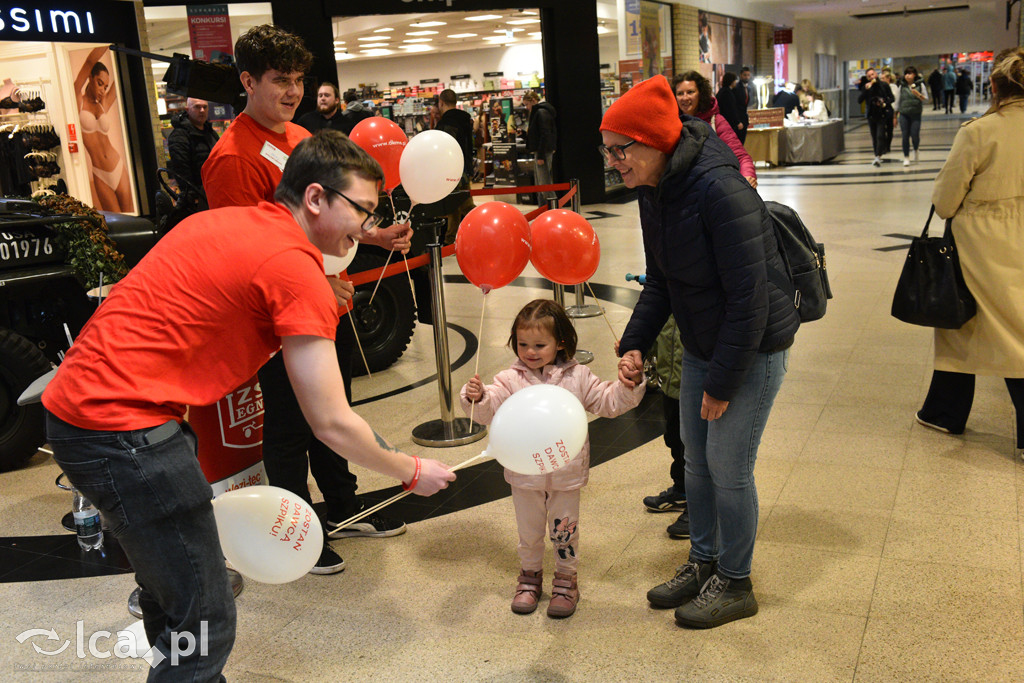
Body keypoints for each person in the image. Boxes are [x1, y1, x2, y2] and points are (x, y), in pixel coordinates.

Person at [42, 129, 457, 681]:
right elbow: (330, 421)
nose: (365, 226)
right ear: (314, 198)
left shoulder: (225, 221)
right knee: (205, 614)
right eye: (360, 209)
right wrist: (410, 472)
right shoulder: (293, 266)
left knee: (170, 592)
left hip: (82, 412)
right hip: (122, 429)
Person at [203, 24, 413, 575]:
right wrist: (316, 284)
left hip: (326, 306)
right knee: (291, 426)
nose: (292, 91)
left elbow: (326, 214)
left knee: (333, 410)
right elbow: (243, 250)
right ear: (247, 81)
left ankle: (342, 506)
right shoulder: (231, 157)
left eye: (298, 80)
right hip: (279, 318)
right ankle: (298, 530)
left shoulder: (300, 138)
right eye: (279, 80)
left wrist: (373, 236)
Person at [601, 75, 799, 629]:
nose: (614, 162)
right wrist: (636, 340)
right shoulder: (653, 189)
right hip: (702, 341)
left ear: (656, 142)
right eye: (608, 150)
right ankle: (704, 560)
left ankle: (736, 582)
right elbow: (663, 279)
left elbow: (750, 300)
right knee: (696, 461)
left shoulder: (720, 189)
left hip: (751, 349)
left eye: (622, 150)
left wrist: (722, 382)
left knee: (729, 468)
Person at [460, 300, 645, 618]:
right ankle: (530, 577)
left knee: (564, 532)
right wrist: (476, 397)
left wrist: (629, 385)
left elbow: (607, 402)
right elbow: (489, 410)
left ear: (560, 342)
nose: (530, 352)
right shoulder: (508, 379)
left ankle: (566, 580)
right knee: (528, 533)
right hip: (524, 476)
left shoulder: (579, 377)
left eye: (539, 344)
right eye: (522, 344)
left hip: (565, 474)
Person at [915, 47, 1024, 463]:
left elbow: (945, 201)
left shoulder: (979, 132)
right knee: (983, 325)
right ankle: (942, 409)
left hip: (982, 245)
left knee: (972, 322)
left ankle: (947, 412)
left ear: (994, 87)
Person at [641, 317, 689, 538]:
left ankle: (699, 509)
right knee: (674, 439)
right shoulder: (667, 288)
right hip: (670, 383)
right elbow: (653, 322)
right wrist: (638, 347)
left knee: (694, 451)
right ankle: (681, 490)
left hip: (695, 385)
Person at [673, 71, 757, 188]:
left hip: (713, 190)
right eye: (680, 93)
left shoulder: (715, 121)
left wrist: (748, 175)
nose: (685, 98)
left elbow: (741, 156)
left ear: (701, 94)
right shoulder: (672, 124)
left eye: (690, 92)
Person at [74, 46, 132, 212]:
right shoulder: (78, 100)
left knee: (131, 217)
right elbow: (90, 61)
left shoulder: (103, 103)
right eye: (100, 84)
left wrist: (124, 44)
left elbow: (123, 75)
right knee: (116, 222)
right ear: (90, 78)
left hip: (118, 167)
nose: (102, 90)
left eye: (105, 86)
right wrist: (109, 39)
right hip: (100, 173)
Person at [435, 88, 476, 241]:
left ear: (441, 103)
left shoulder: (446, 123)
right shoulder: (465, 118)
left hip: (452, 169)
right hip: (465, 166)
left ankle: (482, 226)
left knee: (461, 204)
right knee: (457, 205)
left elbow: (445, 148)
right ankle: (451, 238)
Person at [167, 97, 219, 206]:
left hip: (216, 192)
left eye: (204, 107)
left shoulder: (210, 132)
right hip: (198, 199)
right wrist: (193, 196)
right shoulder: (179, 136)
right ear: (187, 109)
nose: (202, 110)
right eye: (197, 107)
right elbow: (181, 170)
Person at [520, 90, 558, 201]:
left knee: (544, 183)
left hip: (543, 152)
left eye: (527, 104)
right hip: (541, 151)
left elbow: (545, 134)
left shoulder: (541, 112)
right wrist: (522, 134)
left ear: (533, 101)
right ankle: (544, 209)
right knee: (540, 183)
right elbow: (538, 135)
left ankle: (552, 208)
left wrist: (540, 155)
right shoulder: (540, 112)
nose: (526, 107)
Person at [858, 69, 894, 166]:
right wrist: (866, 90)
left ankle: (878, 155)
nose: (872, 77)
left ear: (876, 74)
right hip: (871, 115)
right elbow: (859, 100)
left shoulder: (884, 85)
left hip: (882, 114)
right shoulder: (866, 87)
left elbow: (892, 98)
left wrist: (884, 103)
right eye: (869, 76)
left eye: (873, 74)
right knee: (874, 136)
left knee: (880, 135)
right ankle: (876, 155)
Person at [896, 66, 928, 166]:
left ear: (914, 75)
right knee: (905, 135)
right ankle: (906, 157)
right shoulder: (902, 86)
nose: (907, 76)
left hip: (916, 113)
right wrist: (895, 114)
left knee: (915, 134)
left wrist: (918, 94)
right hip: (904, 113)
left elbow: (925, 98)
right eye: (906, 74)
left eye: (909, 73)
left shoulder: (920, 85)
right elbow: (897, 100)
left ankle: (916, 149)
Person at [715, 72, 747, 143]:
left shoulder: (723, 91)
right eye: (734, 80)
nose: (735, 82)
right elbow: (730, 109)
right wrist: (737, 122)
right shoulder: (727, 93)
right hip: (728, 123)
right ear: (731, 81)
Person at [880, 70, 898, 156]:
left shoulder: (893, 87)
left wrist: (895, 115)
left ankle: (888, 146)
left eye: (883, 78)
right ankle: (883, 146)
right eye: (881, 78)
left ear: (888, 78)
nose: (882, 80)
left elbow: (895, 100)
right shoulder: (880, 87)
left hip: (891, 110)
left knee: (890, 130)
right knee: (882, 130)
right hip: (882, 111)